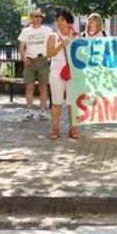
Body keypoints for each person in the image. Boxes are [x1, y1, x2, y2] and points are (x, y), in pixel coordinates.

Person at [46, 9, 79, 140]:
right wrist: (61, 45)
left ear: (68, 21)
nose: (59, 23)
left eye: (62, 20)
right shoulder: (53, 36)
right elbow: (49, 53)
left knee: (72, 102)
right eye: (58, 20)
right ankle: (55, 128)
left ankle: (72, 128)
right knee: (56, 102)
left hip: (72, 72)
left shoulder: (76, 36)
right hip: (56, 71)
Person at [18, 9, 53, 122]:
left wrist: (50, 56)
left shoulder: (47, 30)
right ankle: (29, 112)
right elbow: (21, 47)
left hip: (43, 60)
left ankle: (42, 112)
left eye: (40, 16)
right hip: (30, 61)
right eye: (36, 16)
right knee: (29, 87)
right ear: (31, 18)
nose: (38, 18)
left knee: (43, 87)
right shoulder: (26, 31)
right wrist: (24, 58)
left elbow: (52, 43)